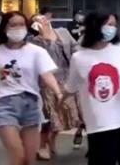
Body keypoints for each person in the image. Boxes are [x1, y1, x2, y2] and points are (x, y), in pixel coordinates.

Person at [63, 12, 120, 165]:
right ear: (95, 26)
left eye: (114, 25)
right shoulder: (79, 58)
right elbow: (70, 87)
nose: (111, 29)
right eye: (108, 24)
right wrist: (61, 103)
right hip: (99, 124)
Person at [0, 11, 62, 165]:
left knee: (28, 159)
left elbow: (46, 75)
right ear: (5, 28)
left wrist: (58, 93)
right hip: (4, 105)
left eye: (21, 24)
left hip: (31, 104)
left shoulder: (36, 51)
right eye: (13, 25)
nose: (18, 28)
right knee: (17, 155)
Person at [30, 15, 82, 161]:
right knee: (50, 117)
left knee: (64, 115)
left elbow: (75, 47)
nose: (42, 20)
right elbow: (41, 59)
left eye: (42, 17)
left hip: (67, 78)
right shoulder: (34, 41)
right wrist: (44, 36)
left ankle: (52, 139)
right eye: (37, 20)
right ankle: (42, 146)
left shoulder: (62, 31)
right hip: (47, 83)